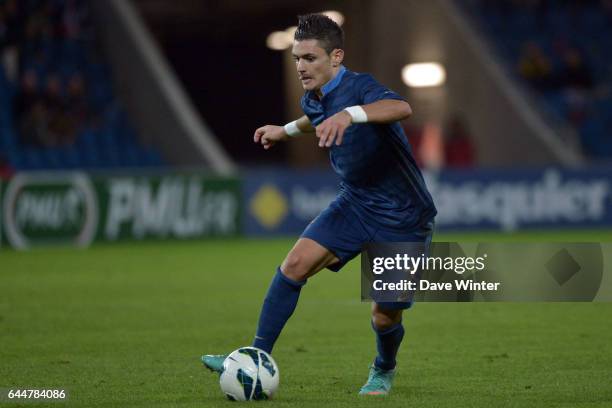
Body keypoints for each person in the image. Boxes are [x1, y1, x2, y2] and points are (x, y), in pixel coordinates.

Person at [202, 13, 436, 396]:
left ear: (336, 57)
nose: (300, 66)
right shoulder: (312, 98)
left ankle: (383, 368)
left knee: (383, 315)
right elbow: (314, 117)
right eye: (297, 58)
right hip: (355, 203)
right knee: (293, 264)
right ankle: (254, 355)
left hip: (403, 218)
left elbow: (401, 109)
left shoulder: (361, 88)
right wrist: (285, 130)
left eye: (310, 58)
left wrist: (349, 115)